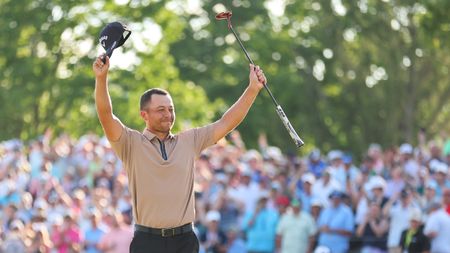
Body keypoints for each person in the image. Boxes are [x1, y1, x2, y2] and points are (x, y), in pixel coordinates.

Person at [93, 54, 267, 253]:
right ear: (144, 115)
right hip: (147, 242)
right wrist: (101, 78)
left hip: (185, 241)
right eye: (160, 110)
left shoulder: (189, 140)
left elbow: (226, 123)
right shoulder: (130, 143)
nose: (168, 114)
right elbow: (106, 115)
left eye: (170, 109)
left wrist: (252, 90)